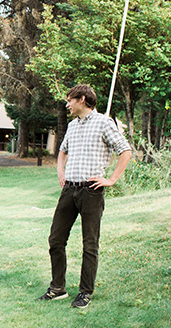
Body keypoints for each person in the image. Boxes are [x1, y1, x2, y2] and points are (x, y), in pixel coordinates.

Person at [38, 84, 132, 309]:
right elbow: (62, 151)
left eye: (69, 100)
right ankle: (57, 288)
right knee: (55, 240)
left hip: (91, 191)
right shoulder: (72, 126)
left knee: (90, 244)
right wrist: (61, 170)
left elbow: (125, 151)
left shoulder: (104, 123)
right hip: (69, 190)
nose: (67, 104)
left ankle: (85, 292)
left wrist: (111, 179)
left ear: (81, 99)